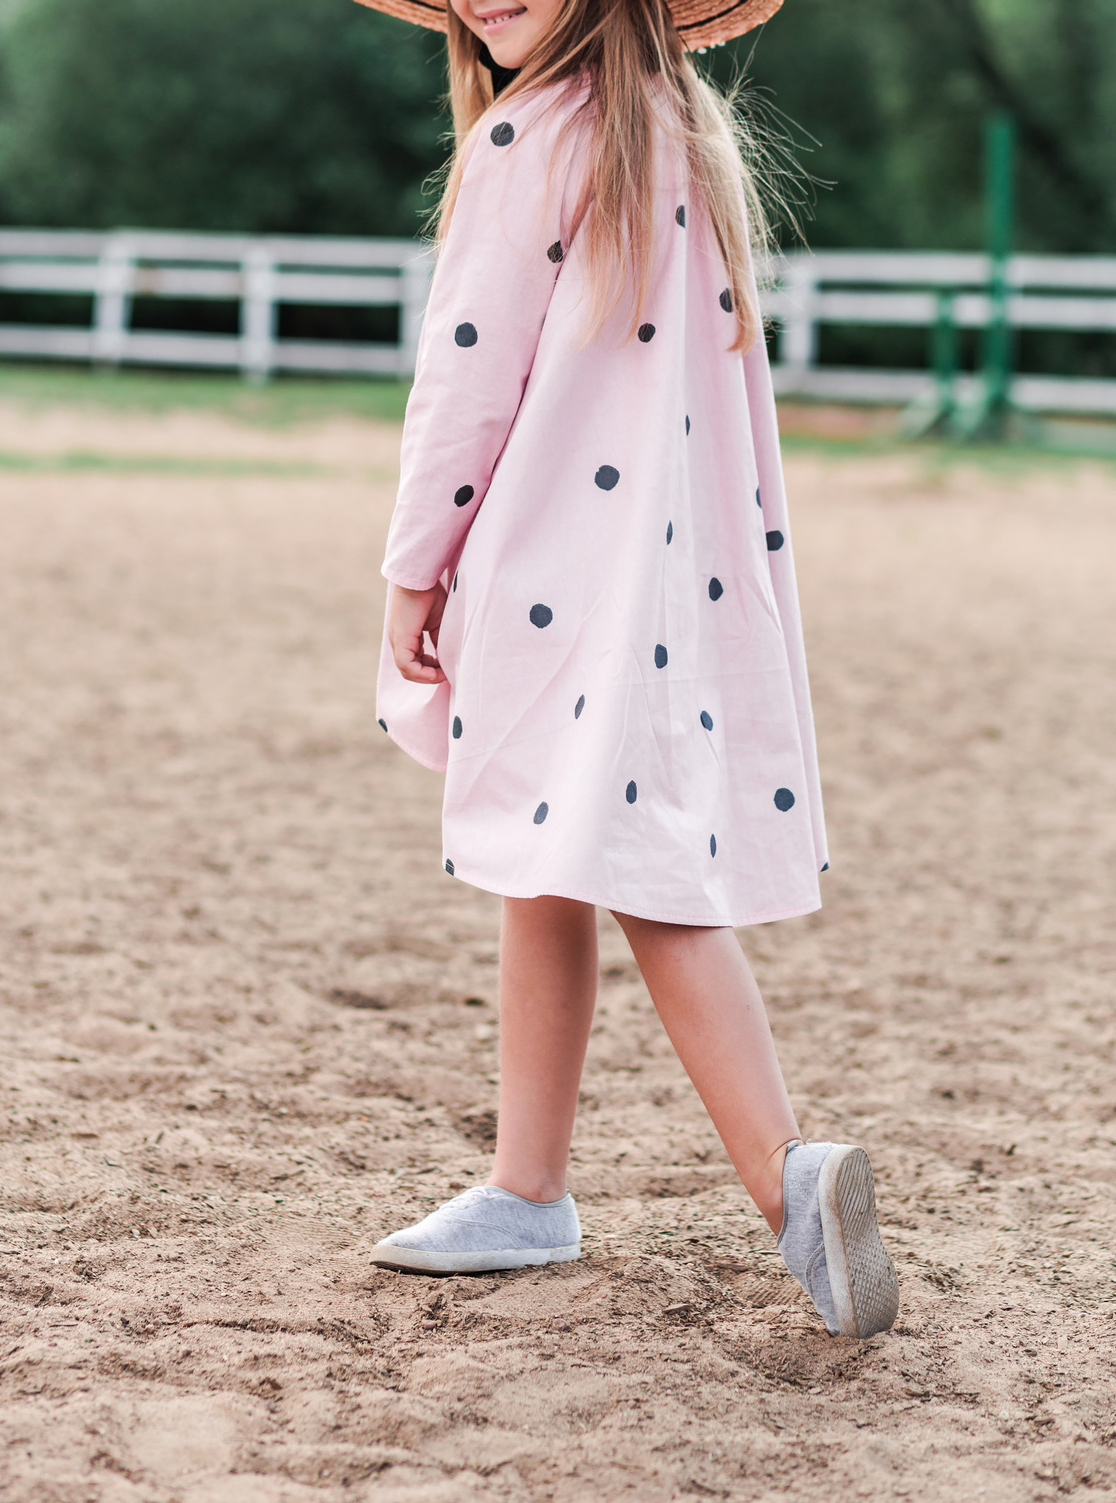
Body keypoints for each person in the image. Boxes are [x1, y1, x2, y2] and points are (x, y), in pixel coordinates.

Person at [355, 0, 900, 1339]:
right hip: (675, 560)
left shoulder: (530, 135)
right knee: (545, 856)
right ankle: (527, 1187)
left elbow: (465, 383)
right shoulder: (676, 128)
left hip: (559, 565)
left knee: (644, 875)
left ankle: (789, 1184)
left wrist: (414, 568)